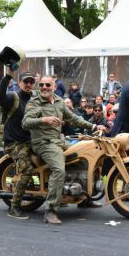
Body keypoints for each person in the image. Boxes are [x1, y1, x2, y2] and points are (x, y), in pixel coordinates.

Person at [22, 76, 106, 225]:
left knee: (84, 157)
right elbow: (25, 123)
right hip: (43, 143)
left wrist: (93, 126)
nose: (44, 87)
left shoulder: (59, 101)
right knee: (59, 170)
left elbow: (74, 118)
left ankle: (84, 199)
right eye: (41, 85)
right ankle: (50, 210)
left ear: (54, 86)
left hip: (59, 141)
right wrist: (44, 119)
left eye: (47, 85)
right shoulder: (35, 103)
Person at [0, 67, 35, 219]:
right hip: (15, 143)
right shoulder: (13, 97)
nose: (29, 84)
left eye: (31, 81)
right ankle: (14, 207)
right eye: (26, 81)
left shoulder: (35, 99)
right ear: (19, 83)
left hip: (31, 141)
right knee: (26, 170)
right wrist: (8, 75)